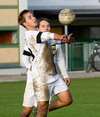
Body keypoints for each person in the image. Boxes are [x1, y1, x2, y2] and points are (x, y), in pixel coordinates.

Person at [18, 9, 74, 117]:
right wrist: (30, 67)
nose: (33, 18)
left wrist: (65, 39)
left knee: (67, 99)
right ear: (25, 23)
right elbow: (49, 36)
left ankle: (39, 112)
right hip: (39, 77)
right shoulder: (31, 35)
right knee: (28, 111)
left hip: (53, 75)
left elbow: (55, 41)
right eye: (30, 17)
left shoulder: (41, 35)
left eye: (33, 16)